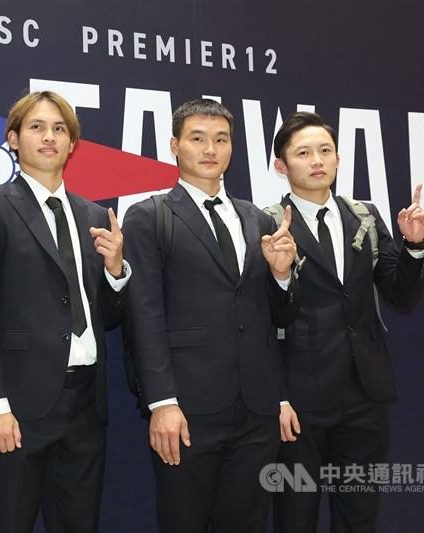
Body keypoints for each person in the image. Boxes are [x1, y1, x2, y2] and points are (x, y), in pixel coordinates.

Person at [0, 90, 130, 533]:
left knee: (78, 523)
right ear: (13, 139)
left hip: (87, 402)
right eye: (36, 127)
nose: (49, 137)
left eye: (59, 129)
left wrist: (115, 272)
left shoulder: (92, 214)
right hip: (19, 403)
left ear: (73, 145)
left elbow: (106, 316)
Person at [122, 98, 299, 533]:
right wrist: (162, 402)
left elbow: (271, 318)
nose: (210, 149)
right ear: (174, 146)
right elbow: (142, 315)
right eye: (197, 138)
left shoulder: (256, 219)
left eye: (221, 139)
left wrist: (280, 276)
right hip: (187, 408)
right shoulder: (149, 216)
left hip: (255, 411)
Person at [270, 111, 424, 533]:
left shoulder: (365, 216)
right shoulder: (266, 224)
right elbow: (260, 319)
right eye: (303, 153)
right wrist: (278, 397)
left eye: (325, 150)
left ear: (338, 159)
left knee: (359, 517)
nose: (317, 160)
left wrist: (414, 247)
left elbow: (401, 295)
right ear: (281, 166)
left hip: (364, 396)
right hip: (300, 401)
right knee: (295, 517)